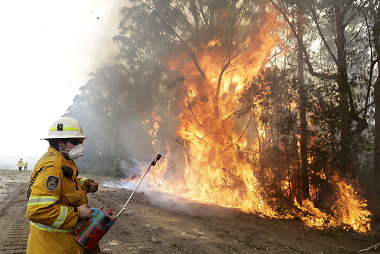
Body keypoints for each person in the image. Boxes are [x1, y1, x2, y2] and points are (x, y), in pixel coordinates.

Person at [26, 116, 100, 254]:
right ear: (60, 143)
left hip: (61, 243)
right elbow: (37, 211)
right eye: (75, 142)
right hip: (54, 247)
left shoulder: (65, 160)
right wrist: (77, 214)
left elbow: (67, 184)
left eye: (81, 141)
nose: (80, 146)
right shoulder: (52, 166)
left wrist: (85, 184)